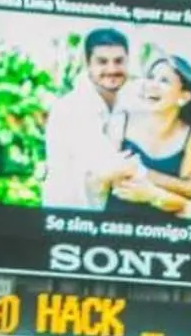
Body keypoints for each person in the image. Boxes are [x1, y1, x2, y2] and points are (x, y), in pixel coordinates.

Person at [106, 51, 191, 219]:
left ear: (184, 97)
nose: (152, 85)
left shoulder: (190, 136)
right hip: (115, 223)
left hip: (166, 230)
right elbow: (112, 178)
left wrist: (148, 184)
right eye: (151, 77)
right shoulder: (122, 122)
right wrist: (167, 192)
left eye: (164, 81)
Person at [42, 28, 138, 210]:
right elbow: (109, 168)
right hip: (67, 217)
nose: (112, 69)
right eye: (102, 62)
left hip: (104, 218)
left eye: (119, 61)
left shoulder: (125, 105)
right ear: (88, 64)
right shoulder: (72, 108)